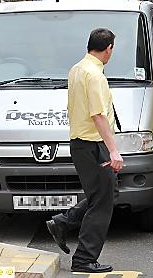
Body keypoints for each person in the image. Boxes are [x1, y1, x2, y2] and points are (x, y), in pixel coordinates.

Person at [46, 28, 123, 273]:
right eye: (112, 48)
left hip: (80, 144)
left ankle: (62, 222)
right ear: (108, 48)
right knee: (102, 203)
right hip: (94, 146)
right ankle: (84, 259)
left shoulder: (77, 69)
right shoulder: (95, 75)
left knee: (105, 194)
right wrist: (113, 151)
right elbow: (98, 115)